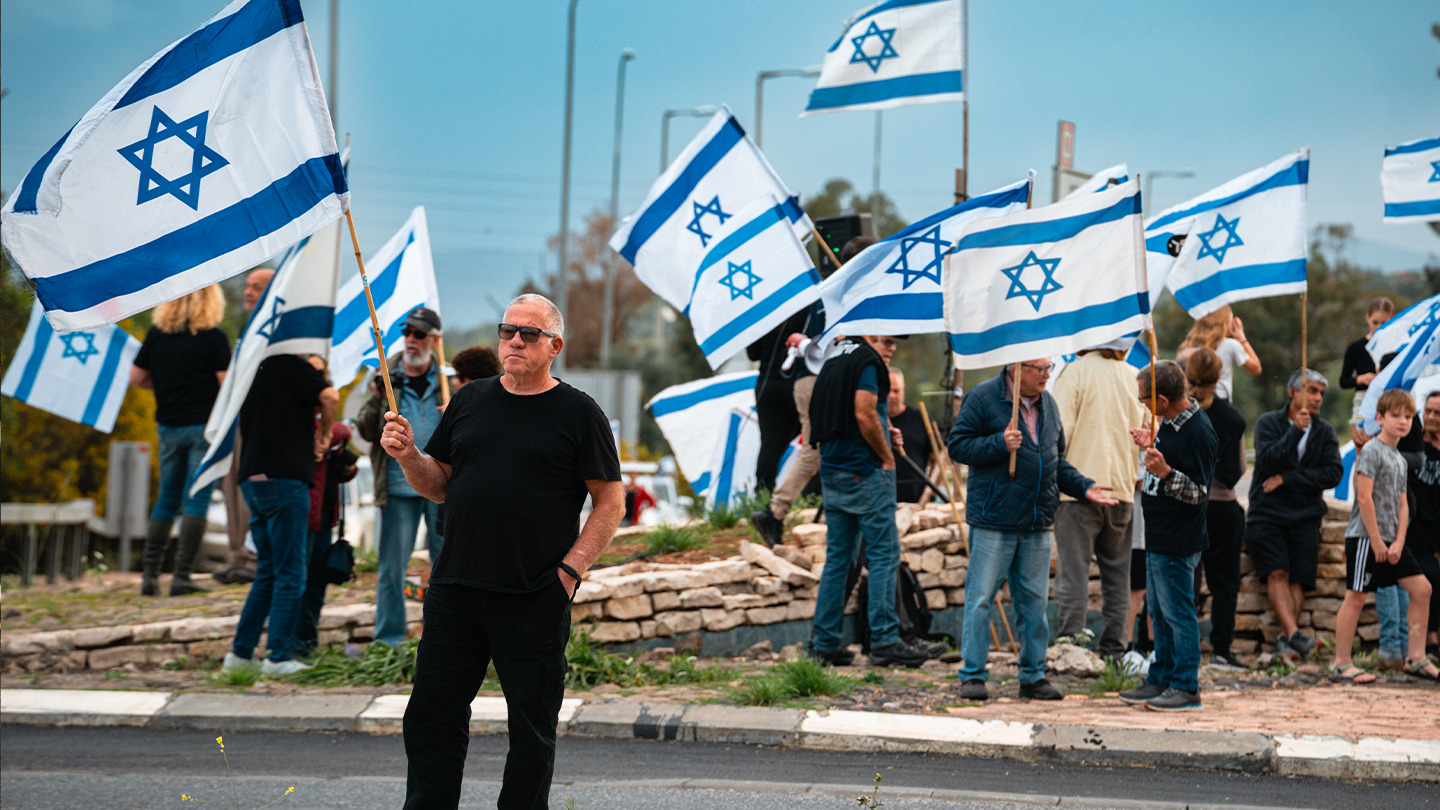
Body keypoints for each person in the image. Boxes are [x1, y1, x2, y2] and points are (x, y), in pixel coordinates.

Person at [380, 294, 624, 809]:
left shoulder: (581, 413)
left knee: (531, 731)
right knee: (431, 717)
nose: (514, 340)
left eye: (528, 333)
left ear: (554, 346)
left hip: (535, 591)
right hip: (456, 588)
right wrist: (408, 456)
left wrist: (570, 571)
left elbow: (610, 501)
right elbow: (439, 484)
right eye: (507, 330)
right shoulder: (470, 400)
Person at [948, 359, 1117, 701]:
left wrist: (1083, 486)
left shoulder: (1049, 404)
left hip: (1037, 521)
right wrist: (998, 443)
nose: (1046, 374)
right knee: (981, 599)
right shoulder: (983, 398)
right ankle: (973, 675)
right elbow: (958, 446)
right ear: (1015, 367)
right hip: (994, 518)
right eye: (1038, 368)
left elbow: (1054, 460)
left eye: (1048, 367)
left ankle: (1033, 676)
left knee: (1035, 604)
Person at [806, 334, 929, 668]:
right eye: (888, 341)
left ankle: (825, 642)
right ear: (871, 333)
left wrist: (884, 427)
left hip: (833, 470)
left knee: (839, 560)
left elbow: (849, 412)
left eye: (896, 343)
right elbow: (863, 412)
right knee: (884, 555)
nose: (892, 349)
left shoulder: (835, 357)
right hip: (865, 471)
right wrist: (886, 455)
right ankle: (886, 640)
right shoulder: (868, 361)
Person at [752, 236, 875, 545]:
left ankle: (785, 509)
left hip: (812, 380)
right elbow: (813, 342)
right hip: (817, 380)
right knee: (815, 450)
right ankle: (774, 512)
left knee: (815, 449)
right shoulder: (836, 294)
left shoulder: (830, 292)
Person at [223, 353, 338, 676]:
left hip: (252, 479)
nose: (319, 375)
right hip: (285, 480)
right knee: (291, 572)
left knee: (269, 571)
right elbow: (330, 397)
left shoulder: (255, 366)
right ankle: (278, 657)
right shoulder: (294, 365)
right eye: (318, 370)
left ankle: (241, 654)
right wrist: (325, 436)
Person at [1118, 360, 1218, 712]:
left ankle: (1186, 685)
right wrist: (1152, 441)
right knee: (1158, 611)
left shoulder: (1200, 432)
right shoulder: (1171, 424)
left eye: (1145, 398)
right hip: (1159, 535)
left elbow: (1198, 492)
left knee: (1178, 613)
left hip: (1179, 538)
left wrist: (1164, 470)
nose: (1142, 404)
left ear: (1162, 398)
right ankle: (1161, 676)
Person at [1331, 390, 1440, 684]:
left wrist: (1399, 541)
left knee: (1422, 590)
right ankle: (1341, 663)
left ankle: (1416, 659)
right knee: (1355, 597)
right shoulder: (1371, 451)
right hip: (1366, 540)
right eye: (1395, 416)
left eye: (1407, 416)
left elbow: (1404, 504)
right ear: (1379, 418)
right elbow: (1364, 499)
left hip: (1394, 542)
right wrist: (1377, 541)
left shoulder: (1400, 458)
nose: (1403, 422)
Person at [130, 285, 231, 596]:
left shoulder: (157, 335)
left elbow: (137, 378)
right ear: (212, 301)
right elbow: (226, 385)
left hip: (168, 426)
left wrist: (167, 384)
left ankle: (149, 578)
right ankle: (181, 577)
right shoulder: (214, 337)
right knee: (197, 497)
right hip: (203, 426)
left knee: (167, 497)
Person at [1050, 346, 1149, 659]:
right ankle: (1114, 650)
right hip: (1121, 489)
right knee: (1118, 577)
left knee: (1073, 573)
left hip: (1077, 490)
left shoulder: (1075, 371)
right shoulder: (1135, 376)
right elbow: (1148, 433)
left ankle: (1071, 647)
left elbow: (1059, 432)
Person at [357, 307, 447, 648]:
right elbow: (366, 431)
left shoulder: (449, 383)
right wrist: (378, 397)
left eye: (419, 334)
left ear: (435, 341)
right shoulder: (384, 378)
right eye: (407, 332)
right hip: (396, 487)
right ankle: (389, 642)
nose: (411, 339)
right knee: (392, 570)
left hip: (442, 485)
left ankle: (442, 642)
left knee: (445, 567)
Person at [1245, 369, 1343, 662]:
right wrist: (1294, 432)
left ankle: (1287, 641)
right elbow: (1267, 460)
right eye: (1311, 391)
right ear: (1292, 392)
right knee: (1277, 572)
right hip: (1268, 513)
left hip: (1305, 515)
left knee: (1299, 579)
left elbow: (1333, 473)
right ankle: (1295, 634)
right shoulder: (1268, 423)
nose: (1317, 398)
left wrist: (1287, 479)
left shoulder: (1324, 431)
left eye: (1321, 393)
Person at [1184, 349, 1249, 671]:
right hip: (1223, 507)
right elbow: (1238, 468)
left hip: (1185, 509)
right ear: (1219, 377)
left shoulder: (1181, 414)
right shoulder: (1233, 419)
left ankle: (1180, 647)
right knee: (1225, 583)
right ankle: (1221, 649)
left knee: (1184, 579)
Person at [215, 267, 275, 585]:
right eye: (247, 286)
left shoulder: (275, 327)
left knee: (252, 488)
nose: (248, 292)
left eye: (257, 287)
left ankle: (254, 558)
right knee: (232, 488)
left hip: (261, 423)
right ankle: (238, 556)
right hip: (237, 418)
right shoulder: (248, 326)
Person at [294, 419, 359, 657]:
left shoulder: (324, 428)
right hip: (305, 515)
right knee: (298, 580)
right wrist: (339, 429)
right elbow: (338, 431)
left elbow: (339, 467)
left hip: (323, 516)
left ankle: (306, 644)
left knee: (315, 583)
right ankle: (290, 645)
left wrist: (347, 466)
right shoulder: (306, 423)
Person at [1407, 391, 1440, 661]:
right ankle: (1429, 642)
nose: (1430, 417)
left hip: (1436, 533)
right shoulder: (1413, 443)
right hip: (1413, 534)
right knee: (1430, 580)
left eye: (1437, 413)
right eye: (1427, 411)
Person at [1176, 304, 1260, 401]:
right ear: (1223, 322)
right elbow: (1256, 368)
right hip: (1219, 400)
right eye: (1230, 319)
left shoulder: (1187, 347)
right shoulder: (1230, 345)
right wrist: (1242, 338)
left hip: (1190, 400)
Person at [1340, 297, 1395, 425]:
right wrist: (1360, 379)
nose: (1379, 327)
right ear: (1367, 319)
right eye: (1375, 322)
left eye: (1384, 322)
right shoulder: (1356, 347)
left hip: (1390, 400)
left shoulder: (1396, 346)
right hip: (1363, 400)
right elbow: (1344, 381)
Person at [887, 368, 936, 503]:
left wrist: (928, 494)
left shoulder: (921, 418)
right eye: (887, 390)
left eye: (896, 391)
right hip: (878, 501)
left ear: (903, 389)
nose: (891, 396)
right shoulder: (870, 420)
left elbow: (939, 460)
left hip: (915, 502)